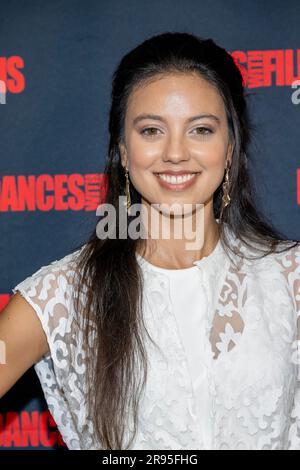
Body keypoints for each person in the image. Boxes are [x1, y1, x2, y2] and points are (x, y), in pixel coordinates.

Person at [0, 31, 299, 451]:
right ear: (123, 150)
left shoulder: (290, 278)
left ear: (230, 147)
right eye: (152, 130)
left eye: (200, 130)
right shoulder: (65, 295)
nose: (175, 153)